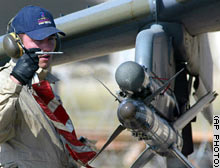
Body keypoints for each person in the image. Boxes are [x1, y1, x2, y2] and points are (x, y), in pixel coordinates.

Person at [0, 5, 96, 168]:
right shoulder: (4, 80)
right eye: (38, 40)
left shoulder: (42, 83)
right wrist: (15, 81)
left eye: (51, 39)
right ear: (16, 43)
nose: (46, 48)